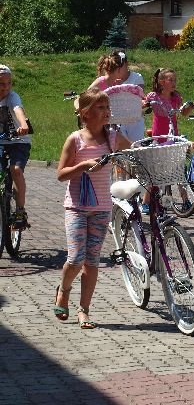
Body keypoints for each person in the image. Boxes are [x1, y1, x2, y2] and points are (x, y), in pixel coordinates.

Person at [55, 89, 132, 329]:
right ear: (85, 113)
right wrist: (83, 166)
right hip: (76, 207)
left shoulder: (113, 137)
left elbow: (134, 153)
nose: (107, 111)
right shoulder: (75, 139)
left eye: (108, 107)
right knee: (76, 259)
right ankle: (64, 290)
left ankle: (84, 310)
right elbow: (61, 174)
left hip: (101, 207)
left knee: (92, 261)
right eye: (100, 107)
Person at [0, 65, 32, 229]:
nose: (6, 87)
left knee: (16, 169)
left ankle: (20, 211)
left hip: (18, 141)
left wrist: (23, 124)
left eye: (9, 83)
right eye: (1, 84)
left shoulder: (13, 97)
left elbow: (17, 109)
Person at [89, 50, 146, 141]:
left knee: (124, 145)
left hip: (121, 120)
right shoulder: (101, 81)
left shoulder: (118, 82)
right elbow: (86, 96)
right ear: (118, 69)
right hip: (107, 121)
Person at [145, 68, 194, 138]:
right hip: (158, 134)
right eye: (171, 80)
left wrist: (190, 107)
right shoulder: (153, 96)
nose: (174, 83)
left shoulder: (176, 97)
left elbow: (183, 113)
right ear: (162, 82)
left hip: (173, 133)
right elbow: (142, 106)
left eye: (175, 80)